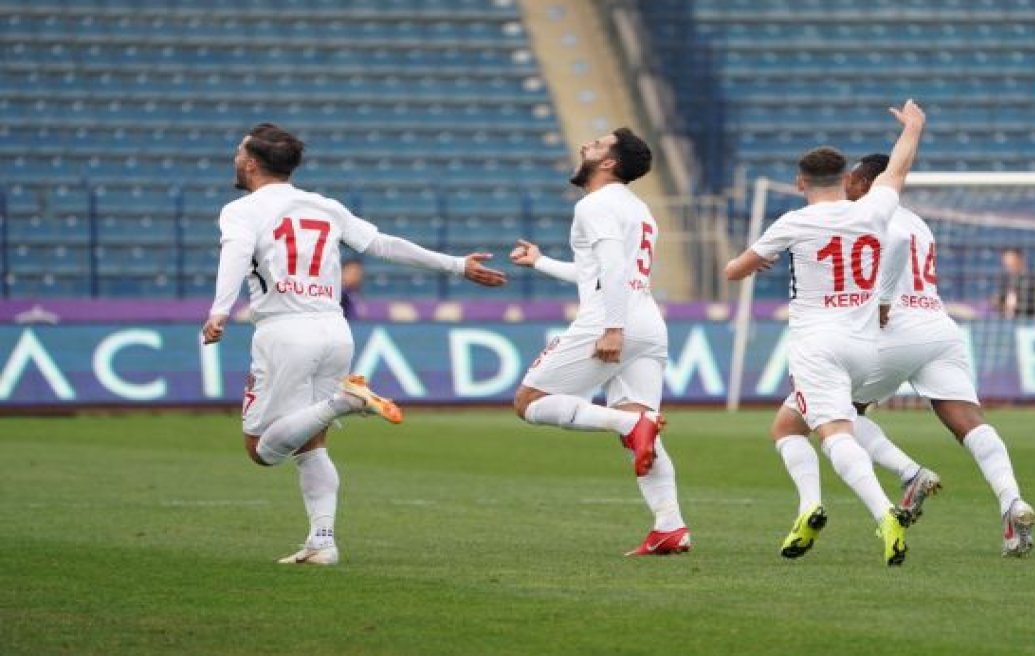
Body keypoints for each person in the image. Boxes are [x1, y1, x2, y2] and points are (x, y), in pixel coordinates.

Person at [201, 123, 507, 565]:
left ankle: (345, 401)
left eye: (237, 152)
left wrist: (219, 310)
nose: (234, 158)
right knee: (312, 446)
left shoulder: (241, 210)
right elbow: (381, 244)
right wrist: (456, 265)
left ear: (250, 162)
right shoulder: (323, 205)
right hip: (335, 329)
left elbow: (234, 254)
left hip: (285, 332)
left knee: (262, 451)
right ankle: (322, 541)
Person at [771, 153, 1035, 560]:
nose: (849, 186)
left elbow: (886, 252)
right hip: (938, 328)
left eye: (856, 180)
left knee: (816, 418)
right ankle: (1012, 502)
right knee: (969, 422)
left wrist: (881, 305)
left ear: (871, 183)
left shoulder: (866, 215)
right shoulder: (917, 220)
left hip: (892, 329)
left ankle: (909, 474)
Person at [725, 99, 925, 567]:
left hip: (817, 345)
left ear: (800, 183)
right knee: (787, 426)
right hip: (865, 345)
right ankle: (808, 507)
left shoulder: (794, 222)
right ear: (844, 181)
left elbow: (734, 271)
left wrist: (758, 260)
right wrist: (913, 128)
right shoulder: (872, 210)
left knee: (834, 433)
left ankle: (884, 514)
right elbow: (896, 171)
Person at [509, 127, 689, 556]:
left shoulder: (595, 204)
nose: (586, 145)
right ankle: (670, 526)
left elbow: (611, 267)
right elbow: (602, 270)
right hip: (647, 322)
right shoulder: (638, 209)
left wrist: (612, 328)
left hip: (613, 320)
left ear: (609, 162)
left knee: (529, 401)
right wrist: (541, 262)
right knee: (643, 432)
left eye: (597, 144)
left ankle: (630, 425)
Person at [993, 247, 1035, 318]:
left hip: (1033, 322)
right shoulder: (1005, 281)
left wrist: (1014, 306)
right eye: (1007, 264)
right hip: (1008, 324)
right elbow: (999, 302)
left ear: (1021, 259)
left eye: (1013, 263)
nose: (1010, 267)